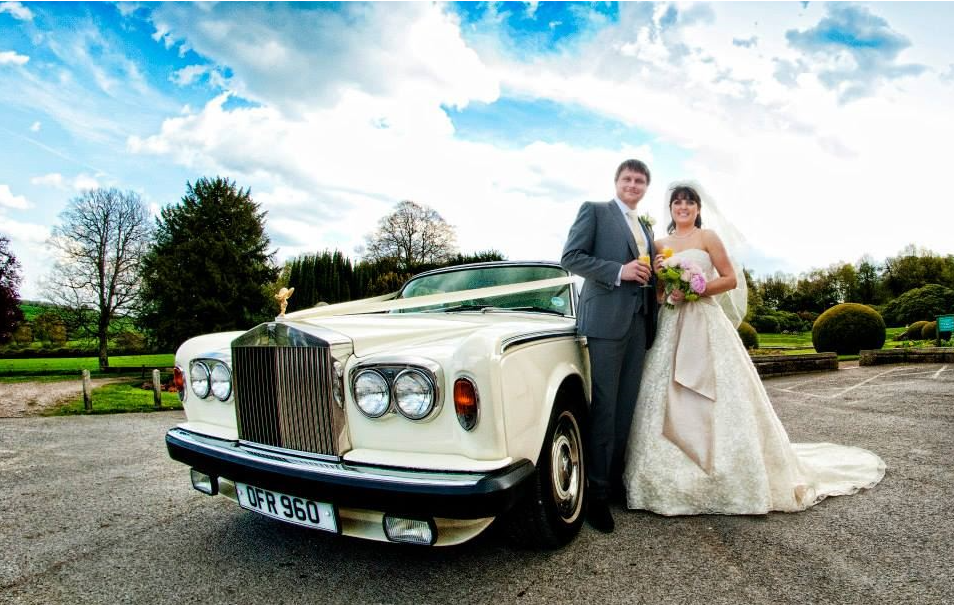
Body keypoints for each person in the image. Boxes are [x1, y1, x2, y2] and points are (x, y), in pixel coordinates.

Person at [623, 182, 885, 515]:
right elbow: (658, 294)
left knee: (722, 393)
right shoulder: (659, 244)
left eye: (689, 202)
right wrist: (667, 288)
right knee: (665, 392)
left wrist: (698, 288)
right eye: (678, 203)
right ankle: (665, 481)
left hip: (706, 321)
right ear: (670, 208)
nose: (683, 207)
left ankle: (731, 477)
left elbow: (730, 278)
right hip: (672, 326)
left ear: (698, 208)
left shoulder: (709, 239)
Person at [561, 159, 659, 533]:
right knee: (604, 408)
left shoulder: (645, 226)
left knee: (624, 409)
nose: (633, 185)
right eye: (627, 179)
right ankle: (595, 497)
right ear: (616, 182)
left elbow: (646, 270)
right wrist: (619, 271)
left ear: (646, 187)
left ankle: (612, 482)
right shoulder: (595, 212)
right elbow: (571, 258)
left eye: (640, 181)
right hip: (605, 323)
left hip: (638, 324)